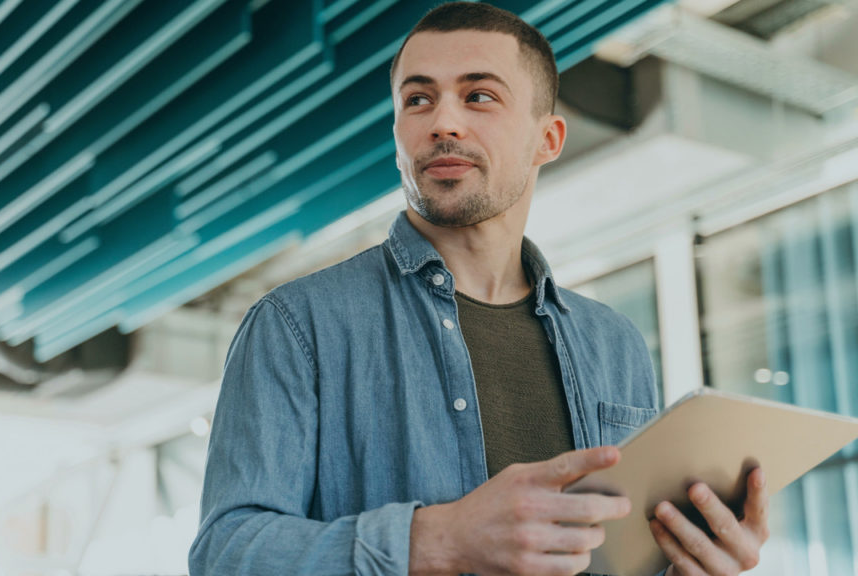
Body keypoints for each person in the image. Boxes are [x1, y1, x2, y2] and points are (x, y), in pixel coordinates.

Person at [189, 3, 770, 575]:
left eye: (479, 96)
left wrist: (694, 563)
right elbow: (225, 554)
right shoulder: (296, 325)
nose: (443, 122)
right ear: (397, 134)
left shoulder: (615, 343)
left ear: (548, 138)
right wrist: (437, 539)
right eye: (418, 100)